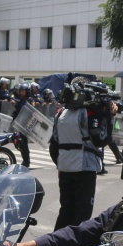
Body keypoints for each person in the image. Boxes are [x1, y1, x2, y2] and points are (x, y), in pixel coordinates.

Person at [48, 82, 101, 230]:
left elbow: (53, 145)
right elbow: (101, 139)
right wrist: (109, 114)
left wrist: (60, 164)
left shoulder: (60, 114)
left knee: (65, 210)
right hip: (84, 167)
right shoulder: (87, 113)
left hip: (65, 168)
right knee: (82, 213)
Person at [11, 82, 33, 167]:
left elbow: (31, 112)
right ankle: (25, 160)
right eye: (20, 90)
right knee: (18, 141)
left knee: (23, 143)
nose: (21, 92)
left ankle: (26, 161)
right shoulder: (21, 100)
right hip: (20, 124)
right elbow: (17, 111)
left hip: (26, 125)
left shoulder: (30, 100)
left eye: (23, 90)